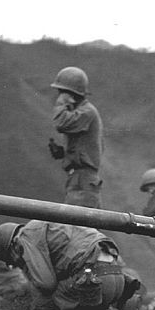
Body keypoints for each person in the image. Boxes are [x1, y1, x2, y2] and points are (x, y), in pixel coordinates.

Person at [0, 221, 141, 310]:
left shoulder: (24, 238)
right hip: (117, 276)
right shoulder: (48, 225)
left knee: (49, 302)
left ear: (11, 248)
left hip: (95, 280)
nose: (17, 264)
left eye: (13, 262)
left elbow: (46, 284)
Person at [47, 66, 105, 209]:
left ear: (71, 94)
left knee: (75, 227)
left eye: (62, 92)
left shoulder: (87, 112)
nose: (59, 96)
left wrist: (62, 102)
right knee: (79, 228)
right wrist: (63, 153)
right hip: (79, 181)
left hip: (82, 183)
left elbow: (61, 123)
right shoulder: (81, 113)